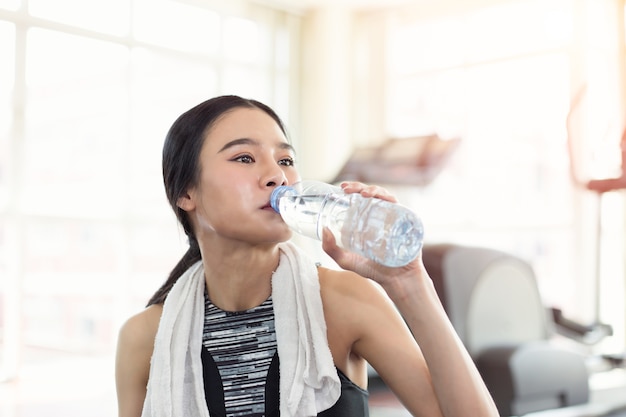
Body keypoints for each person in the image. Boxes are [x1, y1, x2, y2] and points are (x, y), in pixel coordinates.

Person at [115, 95, 499, 417]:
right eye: (245, 158)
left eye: (285, 160)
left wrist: (410, 284)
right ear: (186, 193)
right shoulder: (144, 338)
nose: (277, 177)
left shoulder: (345, 301)